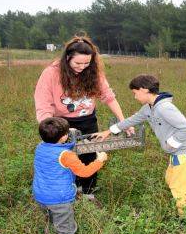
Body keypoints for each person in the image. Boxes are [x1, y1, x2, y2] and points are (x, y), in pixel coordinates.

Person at [34, 36, 124, 199]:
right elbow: (43, 105)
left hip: (88, 121)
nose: (82, 67)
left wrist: (123, 121)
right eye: (78, 63)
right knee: (66, 158)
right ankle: (70, 191)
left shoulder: (93, 72)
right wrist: (55, 129)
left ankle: (88, 192)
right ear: (68, 58)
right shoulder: (51, 73)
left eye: (86, 63)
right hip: (61, 123)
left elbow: (108, 97)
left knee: (89, 155)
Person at [96, 74, 186, 217]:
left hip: (184, 152)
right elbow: (132, 120)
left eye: (135, 93)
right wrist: (110, 131)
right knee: (170, 180)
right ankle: (181, 207)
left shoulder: (164, 108)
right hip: (176, 152)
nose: (135, 97)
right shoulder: (149, 108)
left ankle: (185, 219)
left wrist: (171, 144)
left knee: (178, 187)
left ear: (144, 90)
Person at [32, 117, 108, 234]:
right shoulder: (67, 156)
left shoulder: (40, 147)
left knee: (50, 220)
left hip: (41, 195)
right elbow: (85, 172)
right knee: (66, 229)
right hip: (60, 199)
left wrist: (70, 137)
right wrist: (100, 160)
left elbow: (61, 147)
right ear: (63, 137)